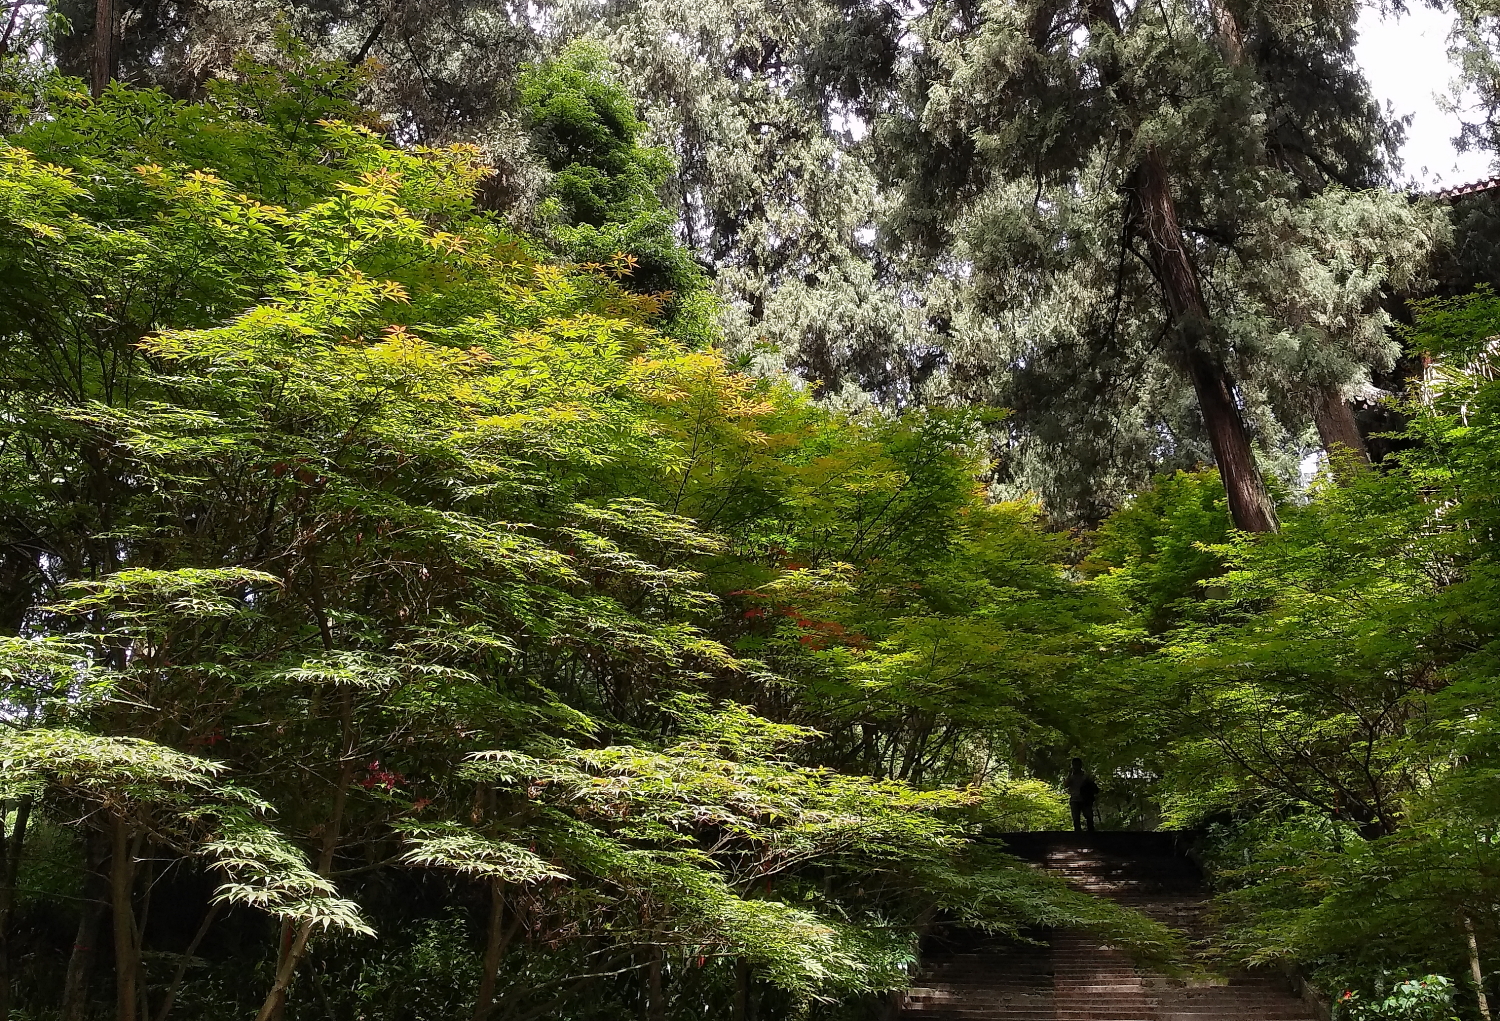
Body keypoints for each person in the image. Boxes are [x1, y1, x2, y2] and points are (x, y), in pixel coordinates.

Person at [1065, 758, 1098, 833]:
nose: (1076, 766)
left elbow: (1092, 786)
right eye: (1074, 765)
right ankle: (1078, 834)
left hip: (1085, 800)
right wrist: (1069, 775)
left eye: (1077, 765)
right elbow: (1066, 785)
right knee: (1076, 819)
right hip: (1075, 799)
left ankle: (1091, 834)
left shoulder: (1085, 776)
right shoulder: (1071, 776)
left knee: (1089, 817)